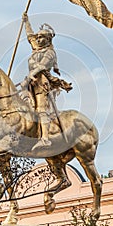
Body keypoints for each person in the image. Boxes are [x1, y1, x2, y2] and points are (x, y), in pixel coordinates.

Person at [21, 13, 72, 151]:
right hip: (31, 83)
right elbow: (30, 35)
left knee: (41, 110)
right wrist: (26, 22)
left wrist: (29, 77)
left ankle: (45, 138)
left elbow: (42, 66)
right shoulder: (35, 47)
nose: (38, 39)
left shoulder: (50, 53)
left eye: (42, 37)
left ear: (48, 39)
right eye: (38, 37)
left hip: (42, 83)